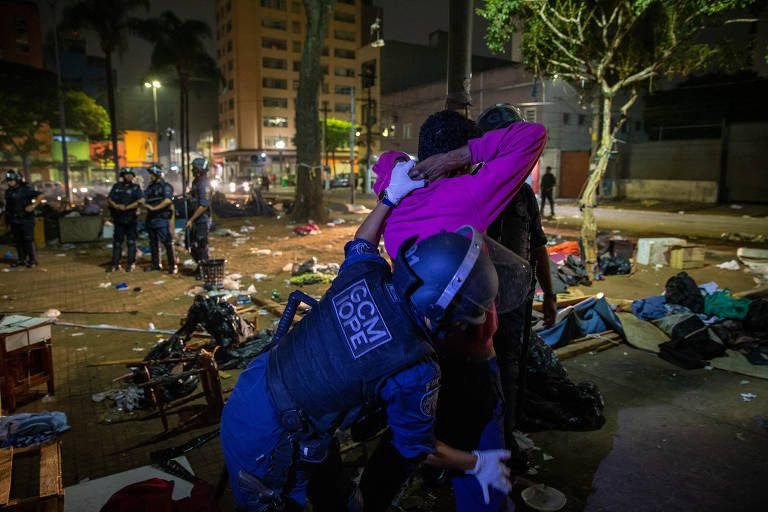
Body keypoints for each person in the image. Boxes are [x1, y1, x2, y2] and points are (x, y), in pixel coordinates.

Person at [220, 162, 515, 512]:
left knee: (336, 492)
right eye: (462, 320)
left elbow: (361, 241)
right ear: (443, 315)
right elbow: (419, 448)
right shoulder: (416, 367)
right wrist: (478, 463)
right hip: (269, 441)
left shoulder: (366, 275)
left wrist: (390, 197)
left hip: (255, 387)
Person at [362, 110, 547, 512]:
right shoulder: (471, 193)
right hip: (470, 361)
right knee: (484, 471)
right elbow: (533, 135)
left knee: (408, 445)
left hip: (413, 356)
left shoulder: (397, 198)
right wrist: (458, 157)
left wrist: (410, 167)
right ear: (464, 160)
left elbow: (385, 159)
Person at [479, 104, 558, 458]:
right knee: (478, 375)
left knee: (510, 371)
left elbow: (537, 246)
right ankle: (481, 445)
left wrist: (550, 296)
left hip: (516, 305)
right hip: (477, 306)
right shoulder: (471, 186)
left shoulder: (524, 195)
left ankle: (504, 439)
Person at [141, 164, 177, 274]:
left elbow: (167, 201)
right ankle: (156, 264)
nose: (150, 176)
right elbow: (143, 198)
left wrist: (153, 208)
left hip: (162, 219)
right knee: (153, 243)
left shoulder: (165, 186)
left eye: (152, 174)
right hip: (151, 219)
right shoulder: (150, 188)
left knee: (167, 242)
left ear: (157, 174)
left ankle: (172, 265)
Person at [106, 167, 143, 272]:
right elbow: (109, 199)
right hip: (119, 219)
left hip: (131, 219)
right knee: (117, 243)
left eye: (131, 174)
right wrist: (116, 206)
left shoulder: (136, 188)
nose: (129, 176)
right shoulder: (116, 187)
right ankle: (115, 263)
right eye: (127, 174)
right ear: (122, 175)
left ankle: (131, 263)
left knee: (131, 242)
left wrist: (127, 207)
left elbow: (140, 201)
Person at [3, 170, 42, 268]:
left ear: (17, 180)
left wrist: (33, 206)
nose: (9, 182)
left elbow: (41, 195)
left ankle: (33, 260)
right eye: (8, 180)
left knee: (28, 239)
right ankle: (21, 260)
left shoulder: (25, 189)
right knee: (18, 240)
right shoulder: (8, 192)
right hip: (14, 220)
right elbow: (8, 206)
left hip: (26, 219)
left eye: (11, 180)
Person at [185, 158, 212, 278]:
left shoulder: (204, 183)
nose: (192, 170)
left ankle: (205, 271)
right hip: (194, 218)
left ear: (199, 169)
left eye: (194, 168)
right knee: (189, 243)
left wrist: (191, 220)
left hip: (201, 219)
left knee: (201, 245)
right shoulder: (196, 181)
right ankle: (200, 266)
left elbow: (204, 205)